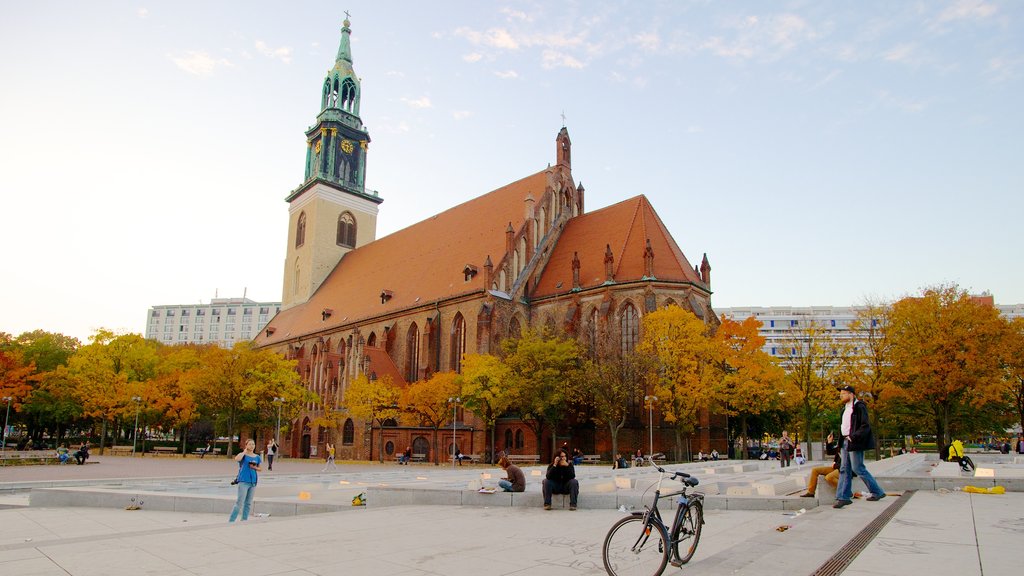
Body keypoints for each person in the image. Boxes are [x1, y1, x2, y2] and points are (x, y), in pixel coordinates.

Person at [834, 385, 886, 509]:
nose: (841, 395)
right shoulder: (844, 409)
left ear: (851, 394)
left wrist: (854, 436)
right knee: (844, 469)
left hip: (854, 441)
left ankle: (877, 491)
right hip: (845, 441)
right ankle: (843, 497)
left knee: (858, 468)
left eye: (844, 393)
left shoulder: (859, 407)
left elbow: (865, 425)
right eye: (840, 393)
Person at [229, 439, 262, 522]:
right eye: (250, 444)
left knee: (248, 503)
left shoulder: (257, 457)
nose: (252, 446)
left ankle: (244, 519)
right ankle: (231, 520)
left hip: (253, 482)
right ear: (246, 445)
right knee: (240, 502)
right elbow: (237, 459)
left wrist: (255, 467)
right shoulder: (243, 455)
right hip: (243, 481)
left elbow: (260, 468)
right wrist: (244, 452)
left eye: (253, 444)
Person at [801, 433, 840, 498]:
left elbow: (848, 463)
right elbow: (830, 452)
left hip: (844, 469)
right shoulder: (841, 447)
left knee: (829, 477)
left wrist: (836, 465)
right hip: (836, 467)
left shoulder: (849, 448)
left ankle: (846, 490)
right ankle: (811, 492)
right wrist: (829, 442)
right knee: (815, 470)